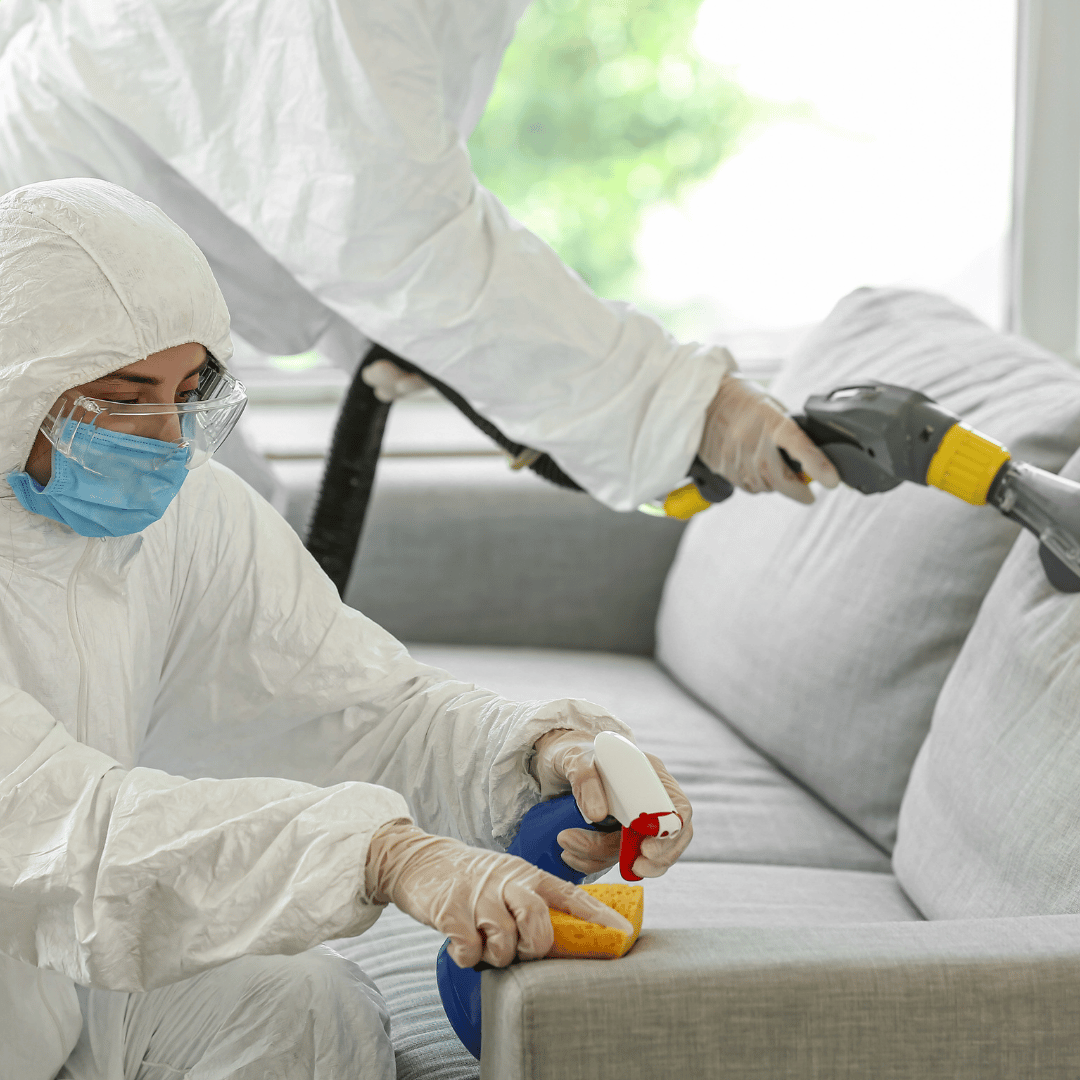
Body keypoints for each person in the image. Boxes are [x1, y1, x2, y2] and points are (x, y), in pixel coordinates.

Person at [0, 178, 694, 1080]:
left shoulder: (182, 514)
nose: (168, 439)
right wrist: (381, 854)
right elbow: (58, 833)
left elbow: (351, 705)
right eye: (127, 398)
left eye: (188, 390)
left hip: (54, 998)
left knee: (305, 1010)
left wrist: (539, 757)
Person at [0, 0, 839, 511]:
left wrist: (372, 331)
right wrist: (688, 406)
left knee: (216, 566)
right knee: (172, 575)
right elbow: (386, 224)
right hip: (52, 294)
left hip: (87, 271)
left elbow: (293, 169)